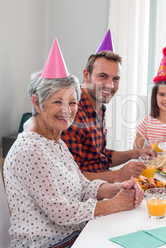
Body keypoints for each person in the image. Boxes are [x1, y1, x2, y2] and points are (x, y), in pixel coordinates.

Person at [4, 40, 143, 247]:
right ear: (37, 103)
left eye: (72, 102)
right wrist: (114, 205)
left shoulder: (55, 140)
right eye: (57, 101)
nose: (67, 111)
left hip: (75, 235)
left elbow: (82, 186)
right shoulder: (30, 149)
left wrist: (117, 187)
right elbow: (62, 212)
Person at [61, 30, 155, 182]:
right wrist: (118, 175)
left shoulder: (98, 106)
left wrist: (136, 152)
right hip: (88, 197)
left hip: (104, 184)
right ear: (86, 75)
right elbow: (71, 177)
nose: (110, 85)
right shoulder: (72, 113)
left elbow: (101, 156)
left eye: (115, 79)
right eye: (103, 76)